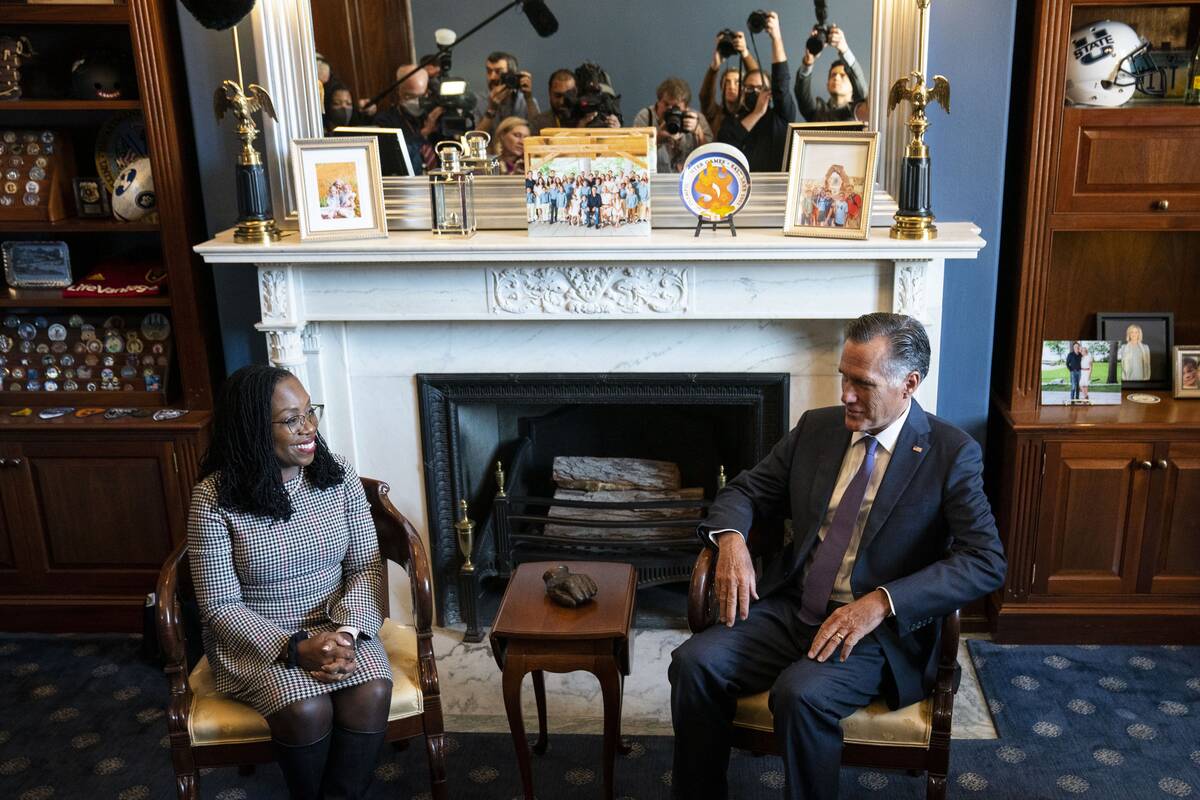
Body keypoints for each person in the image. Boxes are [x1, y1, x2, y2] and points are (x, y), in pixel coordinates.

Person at [669, 313, 1006, 800]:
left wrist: (881, 603)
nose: (846, 394)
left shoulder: (951, 454)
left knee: (800, 696)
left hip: (874, 632)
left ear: (908, 383)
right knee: (694, 664)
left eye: (862, 383)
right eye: (843, 377)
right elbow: (745, 490)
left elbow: (985, 559)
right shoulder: (817, 428)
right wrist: (732, 541)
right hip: (793, 606)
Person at [188, 365, 393, 799]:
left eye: (310, 412)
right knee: (307, 708)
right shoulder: (213, 498)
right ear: (251, 430)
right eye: (291, 419)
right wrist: (293, 647)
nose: (309, 429)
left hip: (339, 624)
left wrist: (348, 632)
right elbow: (219, 605)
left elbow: (365, 567)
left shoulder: (336, 476)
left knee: (372, 690)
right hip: (258, 639)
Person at [717, 11, 799, 172]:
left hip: (778, 189)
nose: (754, 92)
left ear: (768, 91)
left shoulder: (781, 116)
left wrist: (776, 37)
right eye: (749, 88)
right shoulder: (732, 121)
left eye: (759, 88)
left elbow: (781, 82)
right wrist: (756, 113)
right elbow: (725, 146)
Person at [633, 77, 713, 173]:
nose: (669, 110)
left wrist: (698, 131)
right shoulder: (646, 117)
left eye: (676, 107)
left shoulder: (695, 118)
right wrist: (657, 139)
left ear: (686, 108)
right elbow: (634, 154)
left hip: (687, 179)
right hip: (655, 178)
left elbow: (711, 157)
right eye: (666, 104)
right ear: (658, 101)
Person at [795, 25, 868, 123]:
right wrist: (808, 62)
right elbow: (802, 95)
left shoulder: (859, 112)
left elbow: (862, 94)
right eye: (833, 75)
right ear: (827, 84)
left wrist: (844, 49)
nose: (836, 78)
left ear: (852, 85)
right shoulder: (818, 111)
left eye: (842, 75)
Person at [372, 64, 435, 174]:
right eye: (409, 96)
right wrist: (422, 135)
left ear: (427, 92)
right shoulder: (385, 122)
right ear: (398, 91)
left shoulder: (436, 113)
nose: (416, 101)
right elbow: (397, 163)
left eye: (421, 96)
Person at [700, 31, 760, 136]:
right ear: (721, 88)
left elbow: (758, 82)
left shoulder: (754, 112)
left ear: (745, 88)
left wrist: (745, 52)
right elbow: (705, 97)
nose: (731, 87)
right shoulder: (714, 114)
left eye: (737, 83)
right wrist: (714, 67)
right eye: (727, 83)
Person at [476, 51, 540, 135]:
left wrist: (529, 98)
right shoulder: (478, 101)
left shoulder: (524, 102)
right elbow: (474, 140)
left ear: (512, 75)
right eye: (489, 71)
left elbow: (538, 132)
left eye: (498, 72)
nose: (492, 77)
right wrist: (491, 109)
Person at [529, 68, 576, 133]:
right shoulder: (539, 123)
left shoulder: (587, 119)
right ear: (549, 93)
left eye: (567, 96)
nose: (561, 101)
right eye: (557, 96)